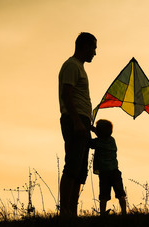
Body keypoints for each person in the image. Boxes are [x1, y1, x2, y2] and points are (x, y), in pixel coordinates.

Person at [58, 32, 97, 216]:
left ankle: (71, 212)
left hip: (82, 121)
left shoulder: (80, 67)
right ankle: (65, 212)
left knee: (81, 170)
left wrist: (88, 125)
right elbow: (66, 94)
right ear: (84, 46)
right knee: (72, 166)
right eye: (93, 48)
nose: (95, 53)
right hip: (74, 120)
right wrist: (76, 121)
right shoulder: (72, 66)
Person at [90, 119, 127, 215]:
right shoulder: (112, 140)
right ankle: (124, 212)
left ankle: (102, 213)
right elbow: (101, 135)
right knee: (120, 194)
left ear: (99, 132)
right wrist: (94, 130)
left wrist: (89, 129)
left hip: (104, 173)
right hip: (115, 172)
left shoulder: (98, 142)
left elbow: (89, 143)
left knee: (103, 195)